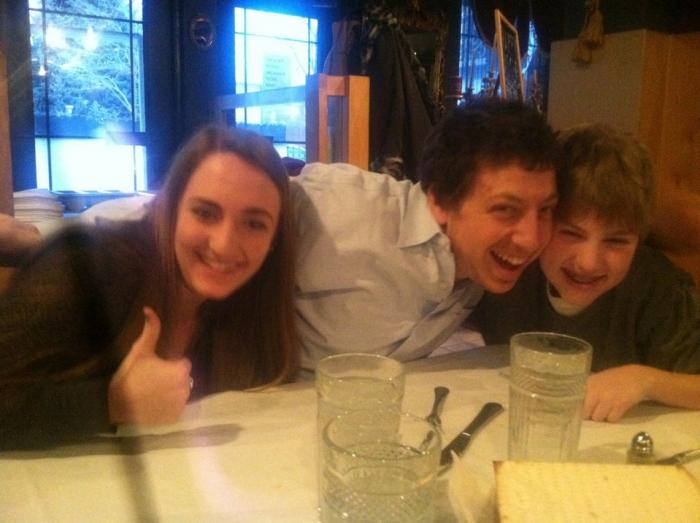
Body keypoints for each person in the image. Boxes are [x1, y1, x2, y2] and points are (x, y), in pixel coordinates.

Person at [0, 125, 298, 449]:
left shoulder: (253, 305)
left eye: (254, 224)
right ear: (170, 209)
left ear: (274, 240)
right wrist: (111, 403)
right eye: (204, 213)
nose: (224, 245)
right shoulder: (87, 266)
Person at [292, 98, 560, 368]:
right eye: (505, 209)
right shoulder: (341, 207)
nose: (531, 239)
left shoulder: (486, 264)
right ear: (440, 201)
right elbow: (266, 206)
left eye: (545, 209)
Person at [473, 123, 700, 422]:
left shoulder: (661, 289)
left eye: (616, 241)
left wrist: (644, 380)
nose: (589, 263)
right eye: (570, 233)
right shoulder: (506, 271)